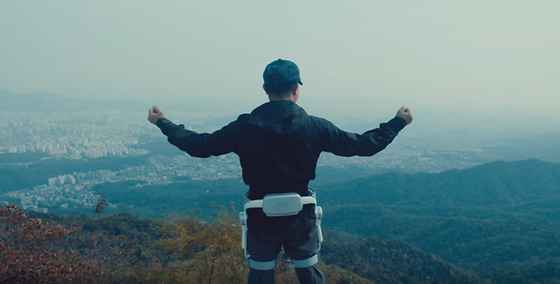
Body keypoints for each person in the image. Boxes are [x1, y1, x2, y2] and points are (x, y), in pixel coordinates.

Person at [148, 59, 413, 284]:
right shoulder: (315, 126)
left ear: (265, 89)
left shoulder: (244, 126)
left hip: (260, 216)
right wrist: (398, 121)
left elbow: (200, 145)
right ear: (297, 89)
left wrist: (163, 122)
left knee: (261, 271)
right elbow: (364, 145)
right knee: (308, 267)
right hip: (301, 215)